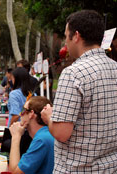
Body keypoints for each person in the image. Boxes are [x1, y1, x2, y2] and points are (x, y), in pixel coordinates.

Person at [41, 10, 117, 173]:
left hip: (78, 168)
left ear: (76, 36)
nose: (65, 43)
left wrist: (49, 117)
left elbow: (61, 133)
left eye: (66, 36)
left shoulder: (73, 73)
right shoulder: (115, 68)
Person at [9, 96, 54, 174]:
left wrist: (16, 136)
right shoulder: (47, 133)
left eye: (23, 110)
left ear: (31, 114)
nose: (20, 115)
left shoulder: (41, 140)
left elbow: (15, 172)